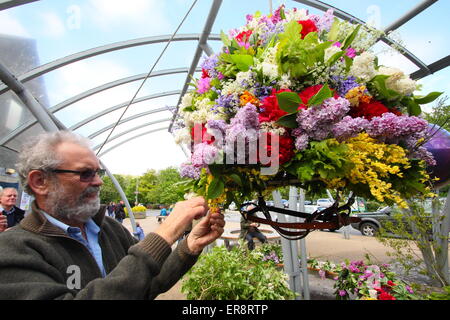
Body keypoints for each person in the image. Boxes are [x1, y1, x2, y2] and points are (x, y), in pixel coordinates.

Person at [0, 130, 225, 299]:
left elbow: (147, 282)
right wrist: (164, 235)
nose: (98, 182)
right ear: (40, 182)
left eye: (98, 172)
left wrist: (190, 245)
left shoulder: (109, 228)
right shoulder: (13, 250)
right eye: (85, 173)